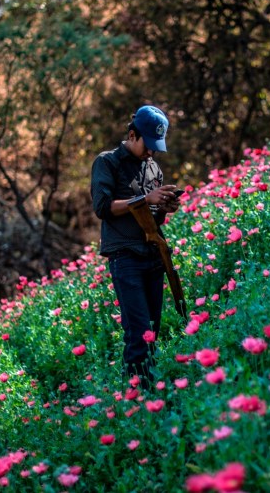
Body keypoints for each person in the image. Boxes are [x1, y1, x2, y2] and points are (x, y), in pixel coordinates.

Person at [90, 105, 180, 390]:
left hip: (152, 255)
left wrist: (164, 206)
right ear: (132, 135)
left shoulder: (154, 168)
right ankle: (136, 398)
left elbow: (152, 217)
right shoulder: (107, 163)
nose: (151, 153)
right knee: (138, 333)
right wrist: (145, 198)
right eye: (148, 146)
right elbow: (103, 207)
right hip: (125, 257)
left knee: (152, 331)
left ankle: (149, 391)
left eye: (156, 147)